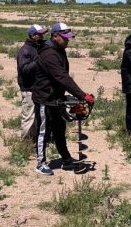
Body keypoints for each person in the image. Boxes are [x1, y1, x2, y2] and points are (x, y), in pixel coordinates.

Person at [31, 22, 95, 176]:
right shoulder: (48, 54)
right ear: (55, 36)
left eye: (68, 38)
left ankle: (66, 158)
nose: (68, 40)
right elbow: (62, 77)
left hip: (56, 99)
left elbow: (62, 77)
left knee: (60, 130)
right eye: (65, 38)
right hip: (44, 98)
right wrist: (82, 95)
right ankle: (40, 163)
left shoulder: (59, 50)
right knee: (43, 132)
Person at [16, 24, 48, 140]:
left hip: (36, 88)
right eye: (40, 34)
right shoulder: (25, 50)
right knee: (28, 116)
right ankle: (25, 142)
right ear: (33, 36)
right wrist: (39, 61)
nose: (42, 36)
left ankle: (33, 140)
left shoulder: (35, 48)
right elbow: (24, 69)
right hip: (28, 88)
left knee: (36, 116)